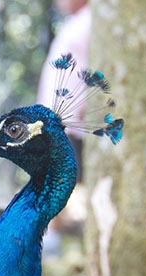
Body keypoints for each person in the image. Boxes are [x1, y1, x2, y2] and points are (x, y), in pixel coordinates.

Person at [37, 0, 90, 256]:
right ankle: (50, 242)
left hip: (70, 121)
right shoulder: (75, 23)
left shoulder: (93, 20)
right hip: (57, 119)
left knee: (55, 178)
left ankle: (51, 243)